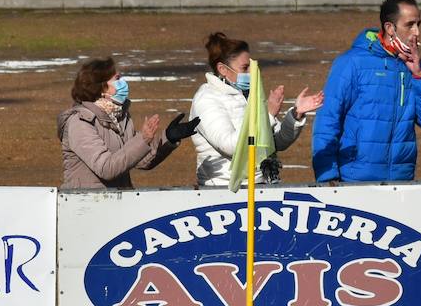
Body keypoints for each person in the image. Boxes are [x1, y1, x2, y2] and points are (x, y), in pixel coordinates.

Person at [311, 0, 421, 183]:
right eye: (410, 25)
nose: (416, 32)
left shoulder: (415, 66)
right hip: (354, 181)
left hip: (401, 182)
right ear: (390, 28)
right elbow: (327, 120)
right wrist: (327, 177)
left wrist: (419, 75)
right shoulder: (351, 63)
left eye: (419, 24)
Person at [189, 33, 322, 187]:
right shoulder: (206, 99)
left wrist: (295, 115)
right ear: (222, 69)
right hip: (227, 191)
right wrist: (269, 115)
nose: (251, 73)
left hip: (262, 185)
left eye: (252, 67)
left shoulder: (250, 93)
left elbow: (276, 142)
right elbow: (230, 146)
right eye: (245, 68)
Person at [58, 57, 195, 189]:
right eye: (117, 79)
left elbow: (140, 159)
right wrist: (143, 139)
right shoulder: (80, 122)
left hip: (118, 202)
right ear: (101, 88)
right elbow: (106, 168)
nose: (123, 82)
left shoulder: (120, 117)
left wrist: (168, 138)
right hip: (85, 204)